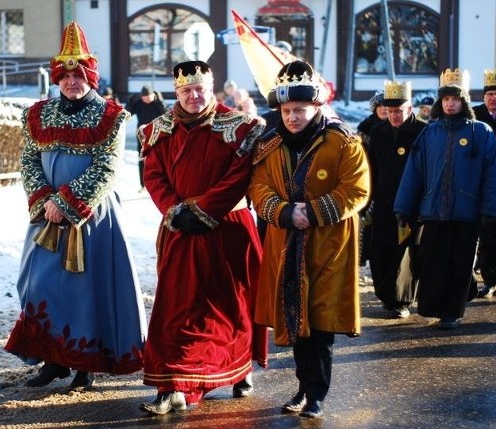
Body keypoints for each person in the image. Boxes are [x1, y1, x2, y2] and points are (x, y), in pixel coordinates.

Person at [4, 21, 147, 391]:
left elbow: (107, 167)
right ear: (57, 78)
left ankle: (86, 364)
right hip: (45, 216)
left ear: (91, 78)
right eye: (65, 76)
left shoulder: (111, 116)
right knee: (38, 285)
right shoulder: (38, 113)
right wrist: (43, 201)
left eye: (78, 75)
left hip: (91, 217)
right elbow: (29, 160)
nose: (72, 82)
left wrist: (67, 203)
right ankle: (54, 360)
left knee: (86, 290)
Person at [137, 60, 268, 415]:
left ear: (211, 90)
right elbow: (154, 176)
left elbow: (238, 177)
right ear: (175, 93)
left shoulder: (242, 127)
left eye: (200, 90)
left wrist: (204, 210)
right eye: (186, 91)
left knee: (230, 308)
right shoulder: (157, 130)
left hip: (228, 230)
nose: (194, 96)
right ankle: (173, 384)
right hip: (180, 229)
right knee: (175, 310)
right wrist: (175, 211)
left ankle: (238, 369)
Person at [248, 60, 370, 419]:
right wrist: (285, 212)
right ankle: (302, 388)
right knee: (294, 320)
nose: (292, 117)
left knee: (320, 324)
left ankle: (316, 394)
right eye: (286, 111)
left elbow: (357, 190)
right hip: (285, 246)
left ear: (316, 107)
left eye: (299, 110)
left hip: (328, 248)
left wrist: (311, 212)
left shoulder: (343, 141)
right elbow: (257, 186)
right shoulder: (269, 145)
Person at [394, 68, 496, 330]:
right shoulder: (430, 133)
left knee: (460, 264)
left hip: (467, 212)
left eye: (456, 99)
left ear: (464, 101)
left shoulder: (481, 132)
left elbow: (491, 175)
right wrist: (404, 206)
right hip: (433, 211)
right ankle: (434, 306)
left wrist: (489, 211)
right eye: (446, 99)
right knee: (433, 262)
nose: (450, 104)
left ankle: (452, 312)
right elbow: (414, 172)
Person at [367, 80, 426, 318]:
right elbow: (371, 168)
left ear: (409, 109)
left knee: (404, 253)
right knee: (380, 250)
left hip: (411, 202)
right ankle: (385, 295)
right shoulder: (377, 132)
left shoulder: (422, 131)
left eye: (398, 111)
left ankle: (401, 300)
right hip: (382, 201)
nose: (394, 116)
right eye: (390, 112)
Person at [473, 69, 496, 298]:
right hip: (483, 183)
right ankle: (490, 278)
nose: (493, 98)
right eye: (490, 93)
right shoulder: (476, 116)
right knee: (487, 234)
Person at [357, 89, 387, 267]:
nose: (383, 109)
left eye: (387, 105)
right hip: (369, 177)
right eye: (380, 105)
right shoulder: (365, 128)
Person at [127, 85, 167, 191]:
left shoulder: (157, 103)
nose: (146, 100)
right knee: (142, 160)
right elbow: (127, 113)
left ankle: (161, 184)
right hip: (142, 136)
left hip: (157, 135)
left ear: (153, 95)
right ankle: (143, 185)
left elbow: (166, 114)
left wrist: (161, 101)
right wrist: (130, 102)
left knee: (159, 160)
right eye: (143, 98)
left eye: (148, 98)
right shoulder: (139, 103)